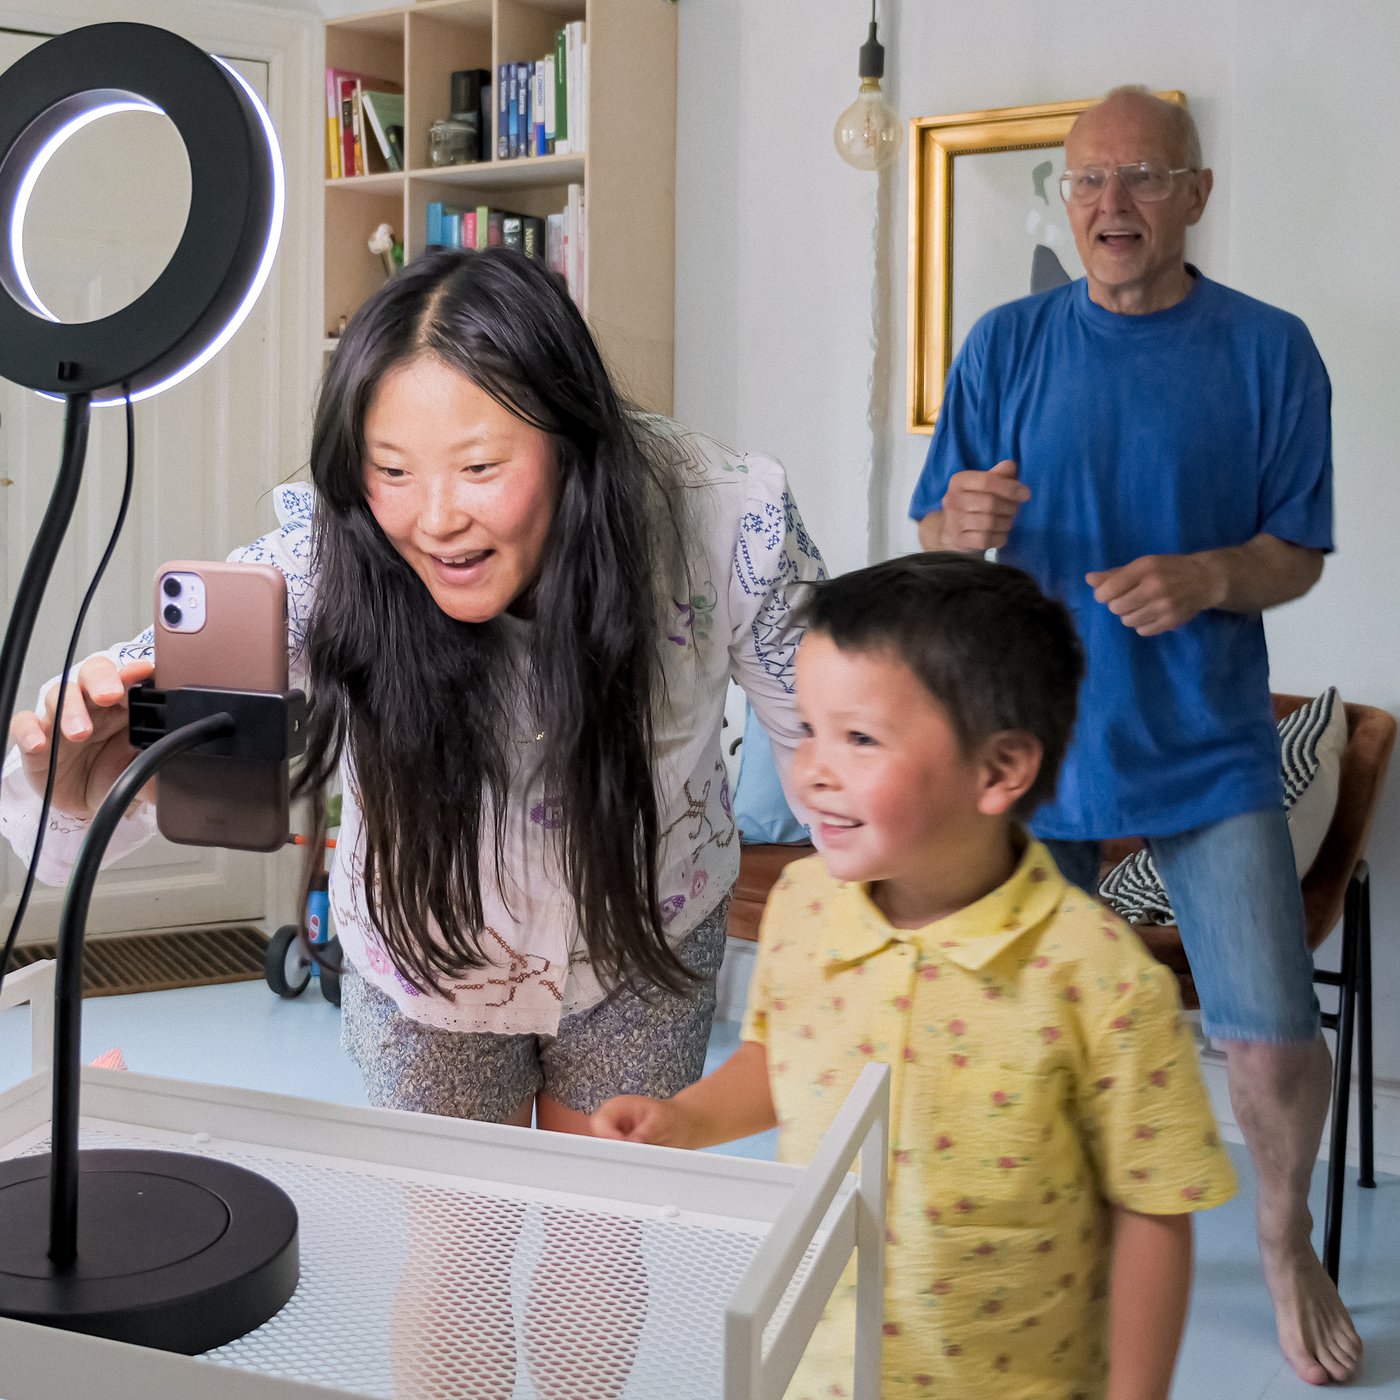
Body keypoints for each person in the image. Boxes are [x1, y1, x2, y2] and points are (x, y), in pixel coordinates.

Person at [0, 246, 825, 1396]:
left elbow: (842, 725)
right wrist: (78, 758)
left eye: (481, 465)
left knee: (598, 1228)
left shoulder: (717, 514)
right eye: (391, 468)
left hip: (642, 930)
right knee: (456, 1242)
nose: (434, 519)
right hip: (428, 951)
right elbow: (131, 759)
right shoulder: (324, 547)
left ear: (571, 437)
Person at [907, 86, 1358, 1385]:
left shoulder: (1272, 352)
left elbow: (1296, 554)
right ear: (1065, 196)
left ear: (1198, 196)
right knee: (1021, 1037)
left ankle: (1285, 1242)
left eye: (1146, 179)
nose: (1113, 206)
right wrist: (963, 524)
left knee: (1273, 1038)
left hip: (1207, 750)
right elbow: (937, 531)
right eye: (1090, 181)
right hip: (1031, 748)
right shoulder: (1003, 345)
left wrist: (1213, 578)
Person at [594, 553, 1237, 1400]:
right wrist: (684, 1119)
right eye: (809, 728)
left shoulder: (1099, 977)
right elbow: (780, 1065)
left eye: (859, 738)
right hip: (814, 1368)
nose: (813, 769)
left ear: (999, 770)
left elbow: (1154, 1207)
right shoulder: (803, 907)